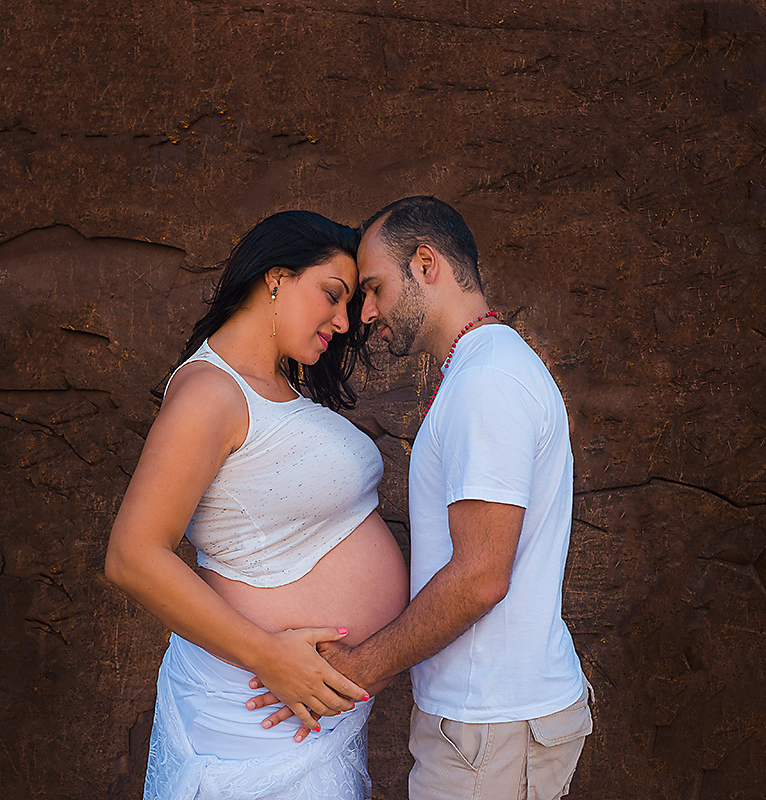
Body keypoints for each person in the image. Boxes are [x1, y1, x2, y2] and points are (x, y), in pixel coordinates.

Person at [250, 196, 593, 799]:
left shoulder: (488, 382)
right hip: (485, 721)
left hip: (490, 725)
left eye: (377, 288)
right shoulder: (480, 370)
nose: (367, 313)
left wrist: (358, 670)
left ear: (427, 264)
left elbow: (481, 577)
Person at [104, 210, 408, 800]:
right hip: (253, 709)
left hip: (296, 717)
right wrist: (268, 655)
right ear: (275, 278)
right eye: (332, 295)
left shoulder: (274, 390)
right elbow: (133, 555)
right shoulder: (208, 392)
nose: (343, 323)